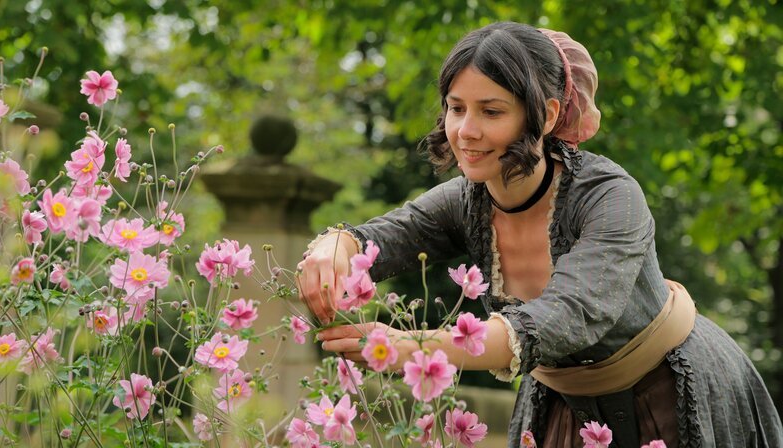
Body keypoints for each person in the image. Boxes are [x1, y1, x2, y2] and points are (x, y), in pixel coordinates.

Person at [297, 21, 783, 447]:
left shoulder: (611, 197)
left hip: (671, 392)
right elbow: (383, 234)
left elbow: (565, 315)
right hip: (560, 405)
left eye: (491, 111)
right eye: (456, 107)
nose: (465, 131)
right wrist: (338, 244)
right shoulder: (467, 198)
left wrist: (415, 346)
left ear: (546, 115)